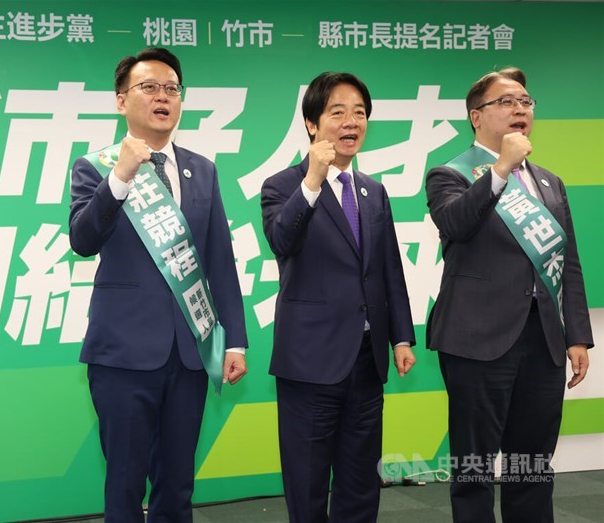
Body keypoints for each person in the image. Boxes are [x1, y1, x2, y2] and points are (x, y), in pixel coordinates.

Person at [68, 47, 248, 522]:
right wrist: (121, 176)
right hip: (123, 354)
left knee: (177, 484)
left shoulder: (202, 169)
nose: (163, 97)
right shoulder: (94, 167)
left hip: (191, 351)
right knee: (124, 482)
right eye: (149, 87)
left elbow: (219, 261)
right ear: (121, 100)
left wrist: (236, 342)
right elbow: (83, 240)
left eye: (172, 88)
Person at [425, 67, 594, 523]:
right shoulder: (449, 174)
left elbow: (568, 262)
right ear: (476, 117)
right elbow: (456, 224)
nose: (520, 109)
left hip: (543, 343)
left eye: (526, 101)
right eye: (506, 102)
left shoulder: (550, 183)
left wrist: (577, 335)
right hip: (476, 342)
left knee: (534, 466)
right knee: (475, 468)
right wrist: (500, 170)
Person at [260, 72, 417, 523]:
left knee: (360, 481)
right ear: (313, 124)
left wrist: (401, 337)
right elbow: (281, 241)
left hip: (367, 360)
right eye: (338, 112)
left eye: (360, 113)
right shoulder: (283, 184)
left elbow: (388, 268)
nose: (351, 122)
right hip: (310, 361)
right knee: (307, 483)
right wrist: (312, 180)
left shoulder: (372, 191)